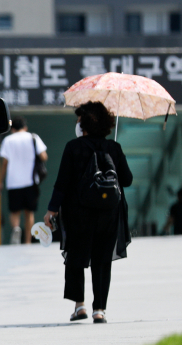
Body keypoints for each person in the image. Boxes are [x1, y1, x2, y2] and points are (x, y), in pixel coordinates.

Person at [44, 101, 133, 324]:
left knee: (76, 256)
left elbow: (62, 184)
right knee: (103, 260)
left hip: (78, 214)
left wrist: (51, 210)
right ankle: (99, 310)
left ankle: (79, 306)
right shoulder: (114, 147)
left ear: (83, 123)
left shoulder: (73, 147)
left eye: (78, 120)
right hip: (108, 214)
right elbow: (128, 180)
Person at [0, 116, 48, 244]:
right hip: (30, 181)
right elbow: (44, 156)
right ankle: (27, 240)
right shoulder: (33, 137)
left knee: (15, 211)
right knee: (29, 212)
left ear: (12, 128)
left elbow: (5, 163)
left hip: (13, 182)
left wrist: (0, 181)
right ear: (25, 127)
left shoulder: (8, 140)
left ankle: (16, 228)